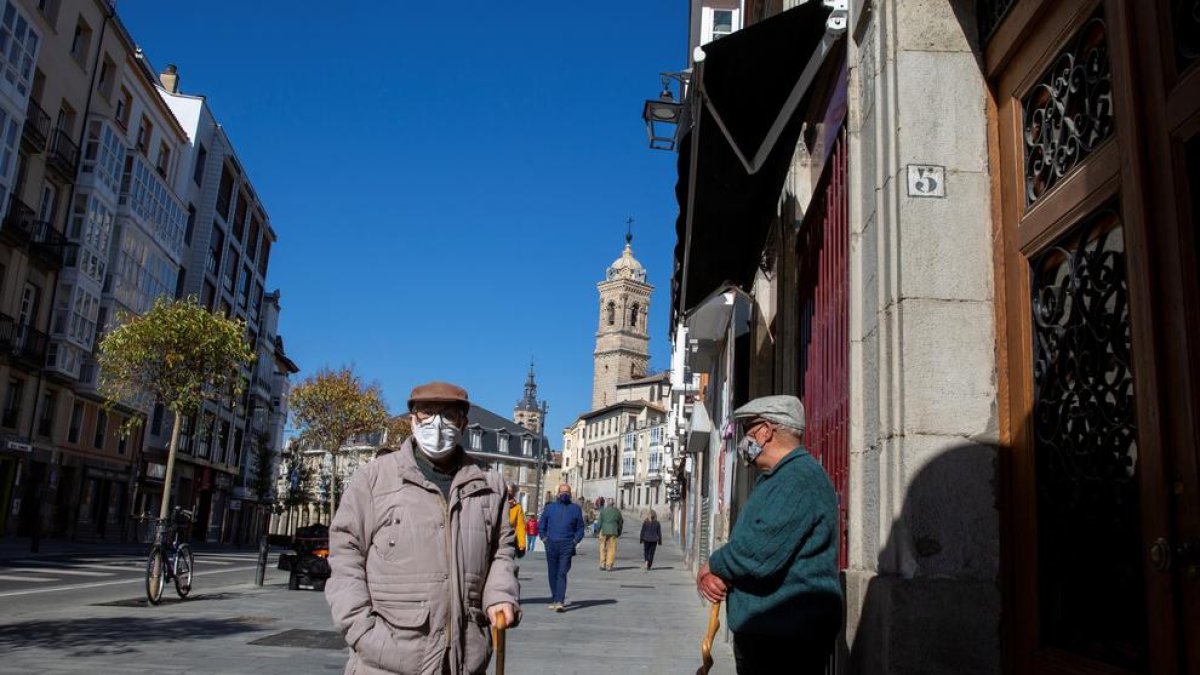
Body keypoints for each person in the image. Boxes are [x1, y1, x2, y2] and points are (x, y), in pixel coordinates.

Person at [326, 382, 520, 675]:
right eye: (426, 413)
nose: (437, 423)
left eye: (448, 415)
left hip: (463, 658)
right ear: (411, 420)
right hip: (386, 659)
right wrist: (361, 629)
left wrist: (500, 595)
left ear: (464, 424)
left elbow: (501, 552)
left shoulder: (490, 484)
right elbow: (345, 553)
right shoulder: (373, 478)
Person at [696, 395, 842, 675]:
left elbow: (760, 552)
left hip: (785, 640)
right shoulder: (780, 477)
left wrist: (715, 565)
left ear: (765, 431)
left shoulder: (798, 478)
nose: (743, 442)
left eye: (747, 431)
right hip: (771, 633)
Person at [537, 483, 585, 612]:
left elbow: (580, 527)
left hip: (567, 545)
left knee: (562, 572)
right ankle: (554, 598)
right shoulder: (550, 508)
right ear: (558, 494)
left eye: (567, 492)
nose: (564, 494)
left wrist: (575, 541)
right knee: (552, 573)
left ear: (570, 494)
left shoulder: (575, 509)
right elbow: (542, 525)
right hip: (551, 544)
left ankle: (560, 601)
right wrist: (544, 538)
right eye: (562, 492)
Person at [596, 498, 623, 571]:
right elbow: (620, 522)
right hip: (613, 530)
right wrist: (619, 531)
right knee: (612, 548)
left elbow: (599, 522)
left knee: (602, 547)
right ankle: (609, 565)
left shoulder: (603, 511)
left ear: (607, 503)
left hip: (603, 530)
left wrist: (597, 530)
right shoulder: (617, 511)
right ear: (613, 504)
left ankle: (602, 564)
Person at [506, 483, 527, 558]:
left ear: (513, 493)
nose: (508, 494)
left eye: (510, 492)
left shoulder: (517, 507)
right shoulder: (497, 503)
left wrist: (522, 543)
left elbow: (520, 526)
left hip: (510, 541)